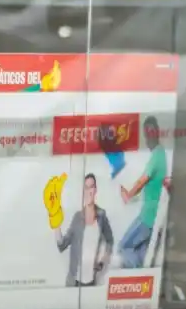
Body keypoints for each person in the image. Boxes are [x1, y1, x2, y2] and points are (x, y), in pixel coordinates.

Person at [117, 117, 168, 269]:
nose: (149, 135)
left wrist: (129, 195)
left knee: (123, 248)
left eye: (152, 130)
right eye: (147, 132)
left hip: (147, 217)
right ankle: (140, 284)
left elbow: (142, 180)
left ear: (157, 132)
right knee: (140, 254)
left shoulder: (158, 155)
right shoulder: (160, 155)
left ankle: (137, 277)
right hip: (152, 218)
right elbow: (149, 185)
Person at [53, 173, 115, 286]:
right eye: (86, 188)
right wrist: (55, 222)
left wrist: (102, 260)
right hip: (75, 282)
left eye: (92, 187)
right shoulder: (77, 217)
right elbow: (62, 245)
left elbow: (110, 241)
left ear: (95, 189)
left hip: (92, 282)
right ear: (84, 192)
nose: (89, 191)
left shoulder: (101, 215)